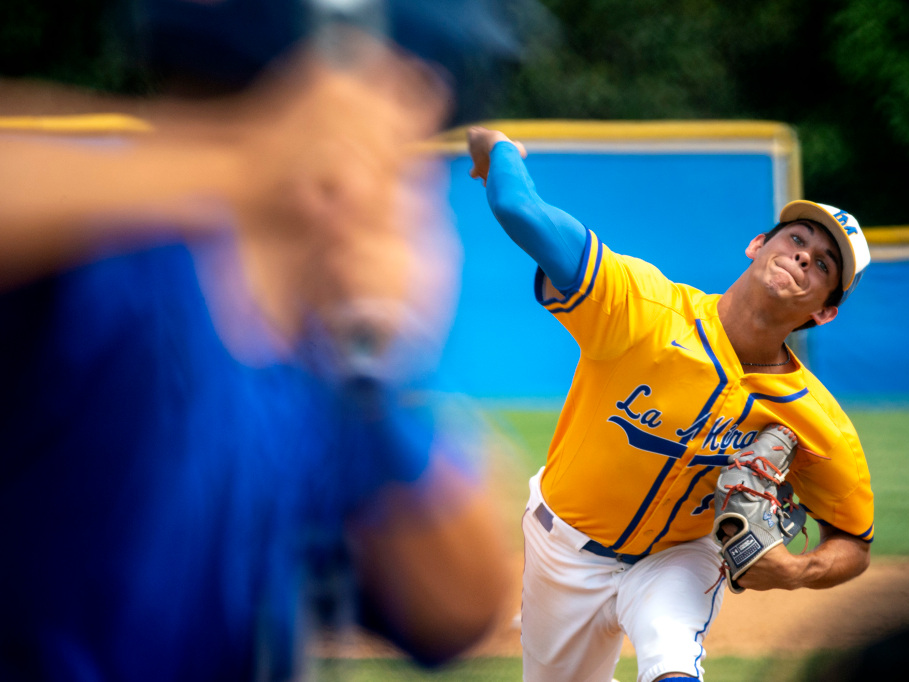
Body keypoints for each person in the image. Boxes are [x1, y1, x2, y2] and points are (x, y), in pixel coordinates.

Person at [0, 3, 546, 680]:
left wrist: (389, 374)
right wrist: (254, 162)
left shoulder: (312, 346)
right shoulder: (102, 258)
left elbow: (458, 611)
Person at [466, 126, 875, 682]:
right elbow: (519, 208)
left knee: (672, 663)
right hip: (562, 549)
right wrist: (499, 151)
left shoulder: (815, 420)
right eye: (797, 239)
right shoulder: (642, 309)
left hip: (679, 557)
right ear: (758, 243)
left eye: (825, 265)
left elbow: (854, 540)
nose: (804, 258)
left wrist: (798, 570)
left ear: (824, 311)